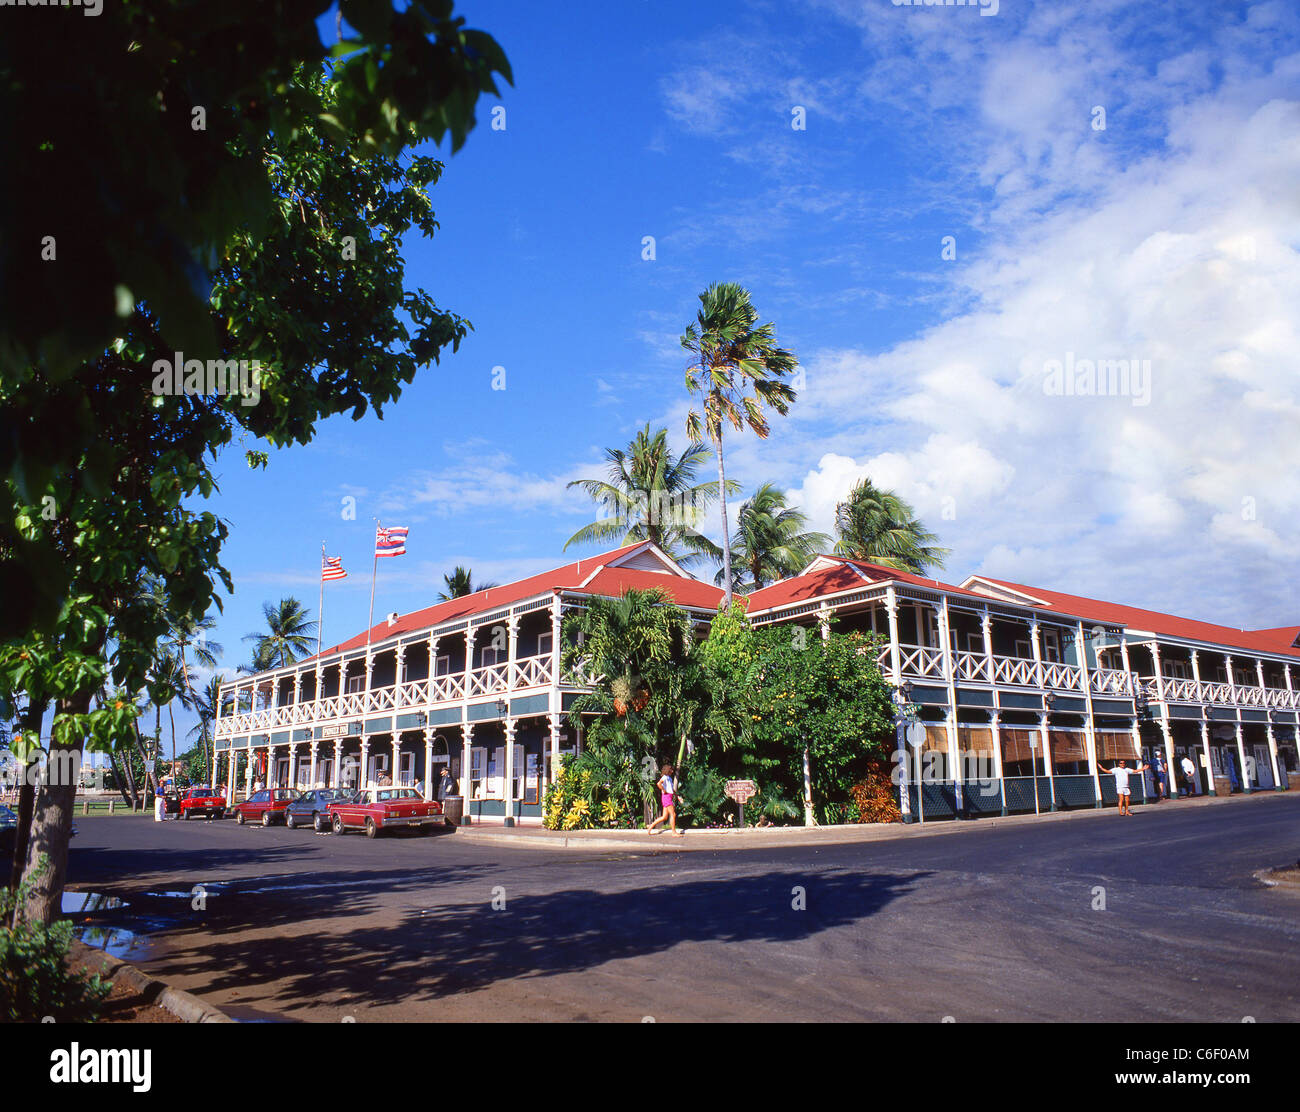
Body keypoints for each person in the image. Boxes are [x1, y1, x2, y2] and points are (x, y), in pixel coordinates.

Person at [647, 763, 682, 837]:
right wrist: (663, 789)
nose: (672, 771)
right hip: (666, 797)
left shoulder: (669, 778)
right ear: (667, 770)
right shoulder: (665, 777)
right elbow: (658, 784)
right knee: (673, 814)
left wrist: (677, 797)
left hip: (668, 797)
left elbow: (672, 789)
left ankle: (650, 826)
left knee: (664, 817)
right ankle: (673, 832)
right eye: (671, 770)